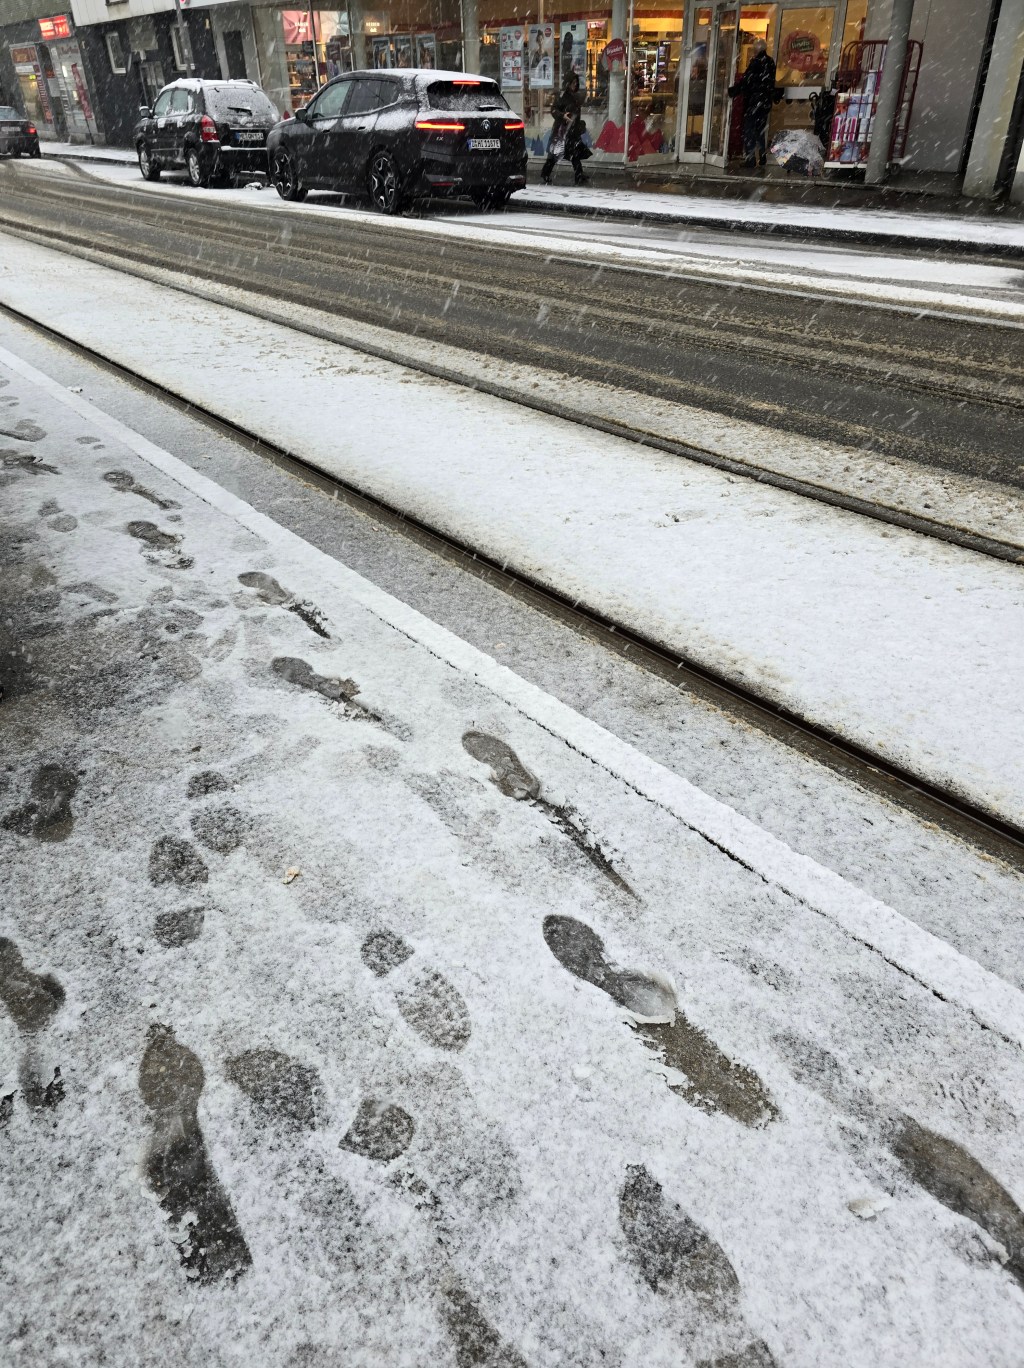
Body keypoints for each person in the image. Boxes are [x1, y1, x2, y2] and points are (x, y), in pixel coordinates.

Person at [728, 38, 778, 168]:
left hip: (754, 101)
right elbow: (770, 82)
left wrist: (734, 91)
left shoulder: (756, 62)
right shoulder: (770, 62)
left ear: (756, 50)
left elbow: (747, 80)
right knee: (760, 130)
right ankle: (762, 155)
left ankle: (750, 159)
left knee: (749, 130)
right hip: (765, 102)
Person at [540, 72, 590, 186]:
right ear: (567, 83)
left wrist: (578, 125)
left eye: (576, 83)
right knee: (555, 153)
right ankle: (545, 173)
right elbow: (553, 109)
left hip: (572, 131)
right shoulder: (562, 96)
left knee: (575, 153)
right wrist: (562, 115)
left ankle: (579, 175)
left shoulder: (575, 96)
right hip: (562, 131)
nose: (575, 85)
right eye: (573, 83)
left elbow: (576, 111)